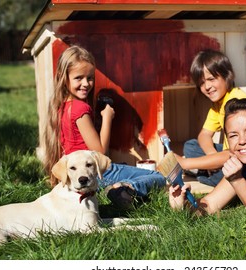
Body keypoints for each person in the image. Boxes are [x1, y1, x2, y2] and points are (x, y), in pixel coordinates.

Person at [43, 45, 166, 210]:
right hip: (98, 173)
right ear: (63, 77)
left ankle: (119, 190)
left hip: (79, 174)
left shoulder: (62, 107)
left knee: (126, 168)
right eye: (78, 78)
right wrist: (107, 118)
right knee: (157, 176)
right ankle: (123, 189)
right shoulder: (80, 108)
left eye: (90, 77)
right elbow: (99, 151)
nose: (86, 84)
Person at [175, 49, 246, 186]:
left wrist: (185, 163)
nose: (207, 87)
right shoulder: (218, 104)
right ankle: (208, 169)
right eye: (202, 83)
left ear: (226, 76)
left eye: (211, 79)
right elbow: (204, 135)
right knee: (191, 146)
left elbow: (232, 154)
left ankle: (204, 175)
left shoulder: (235, 103)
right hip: (241, 153)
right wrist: (212, 156)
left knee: (227, 173)